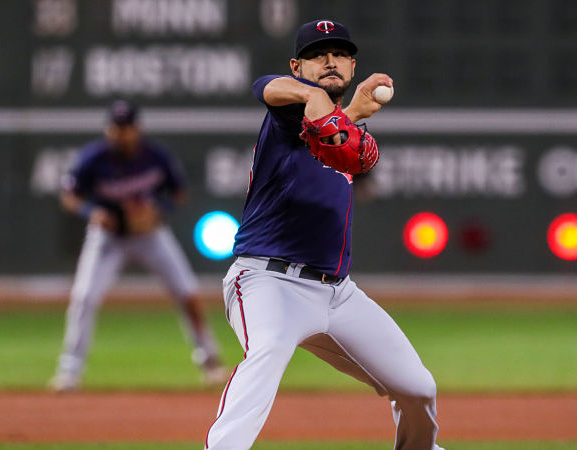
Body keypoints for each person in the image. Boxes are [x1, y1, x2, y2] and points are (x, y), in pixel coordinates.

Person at [204, 20, 443, 450]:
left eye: (339, 54)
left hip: (337, 293)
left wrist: (349, 114)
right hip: (268, 281)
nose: (329, 60)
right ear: (297, 66)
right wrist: (312, 94)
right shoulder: (286, 112)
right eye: (317, 54)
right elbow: (265, 86)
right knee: (268, 352)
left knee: (418, 388)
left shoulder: (345, 133)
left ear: (352, 68)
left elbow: (333, 144)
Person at [49, 100, 227, 392]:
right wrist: (92, 213)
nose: (121, 133)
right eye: (116, 128)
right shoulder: (94, 158)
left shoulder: (156, 156)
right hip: (108, 237)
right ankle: (69, 371)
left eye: (127, 127)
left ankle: (210, 362)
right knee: (84, 298)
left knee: (187, 293)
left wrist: (157, 209)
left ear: (137, 129)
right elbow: (70, 196)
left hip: (150, 235)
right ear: (108, 129)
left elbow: (179, 192)